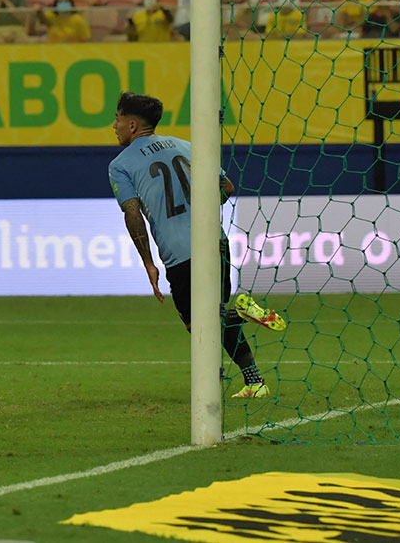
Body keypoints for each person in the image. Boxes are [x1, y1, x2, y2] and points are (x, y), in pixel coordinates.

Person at [107, 92, 284, 399]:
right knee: (213, 315)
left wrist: (149, 263)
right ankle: (255, 381)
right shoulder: (187, 146)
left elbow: (132, 213)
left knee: (197, 322)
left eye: (118, 119)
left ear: (133, 125)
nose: (114, 125)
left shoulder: (120, 164)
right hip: (216, 242)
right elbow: (227, 187)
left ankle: (240, 312)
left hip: (180, 253)